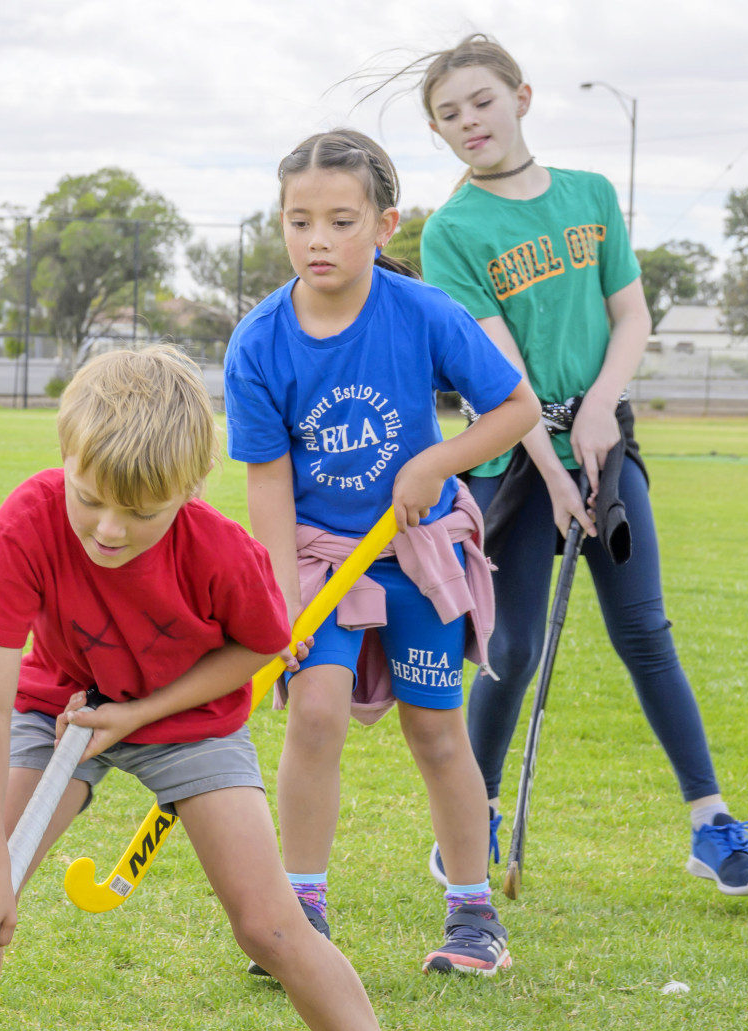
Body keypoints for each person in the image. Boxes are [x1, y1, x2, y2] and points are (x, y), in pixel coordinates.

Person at [0, 346, 471, 1031]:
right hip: (57, 708)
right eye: (89, 497)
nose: (106, 528)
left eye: (138, 512)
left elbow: (258, 647)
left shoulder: (223, 552)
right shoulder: (26, 520)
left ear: (188, 490)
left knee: (269, 926)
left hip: (186, 719)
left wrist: (138, 715)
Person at [414, 35, 748, 896]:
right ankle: (471, 817)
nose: (469, 121)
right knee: (513, 643)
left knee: (645, 633)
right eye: (448, 115)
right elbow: (500, 377)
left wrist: (603, 410)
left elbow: (632, 317)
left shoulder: (590, 196)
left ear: (522, 97)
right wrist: (549, 465)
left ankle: (711, 824)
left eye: (480, 101)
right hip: (513, 461)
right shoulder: (454, 232)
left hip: (604, 446)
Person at [227, 130, 541, 978]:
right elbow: (268, 489)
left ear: (383, 223)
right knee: (316, 712)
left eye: (339, 219)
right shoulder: (257, 342)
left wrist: (435, 463)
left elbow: (515, 410)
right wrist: (281, 602)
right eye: (299, 221)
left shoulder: (424, 313)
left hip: (417, 553)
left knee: (436, 731)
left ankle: (474, 916)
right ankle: (302, 910)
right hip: (324, 558)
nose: (317, 239)